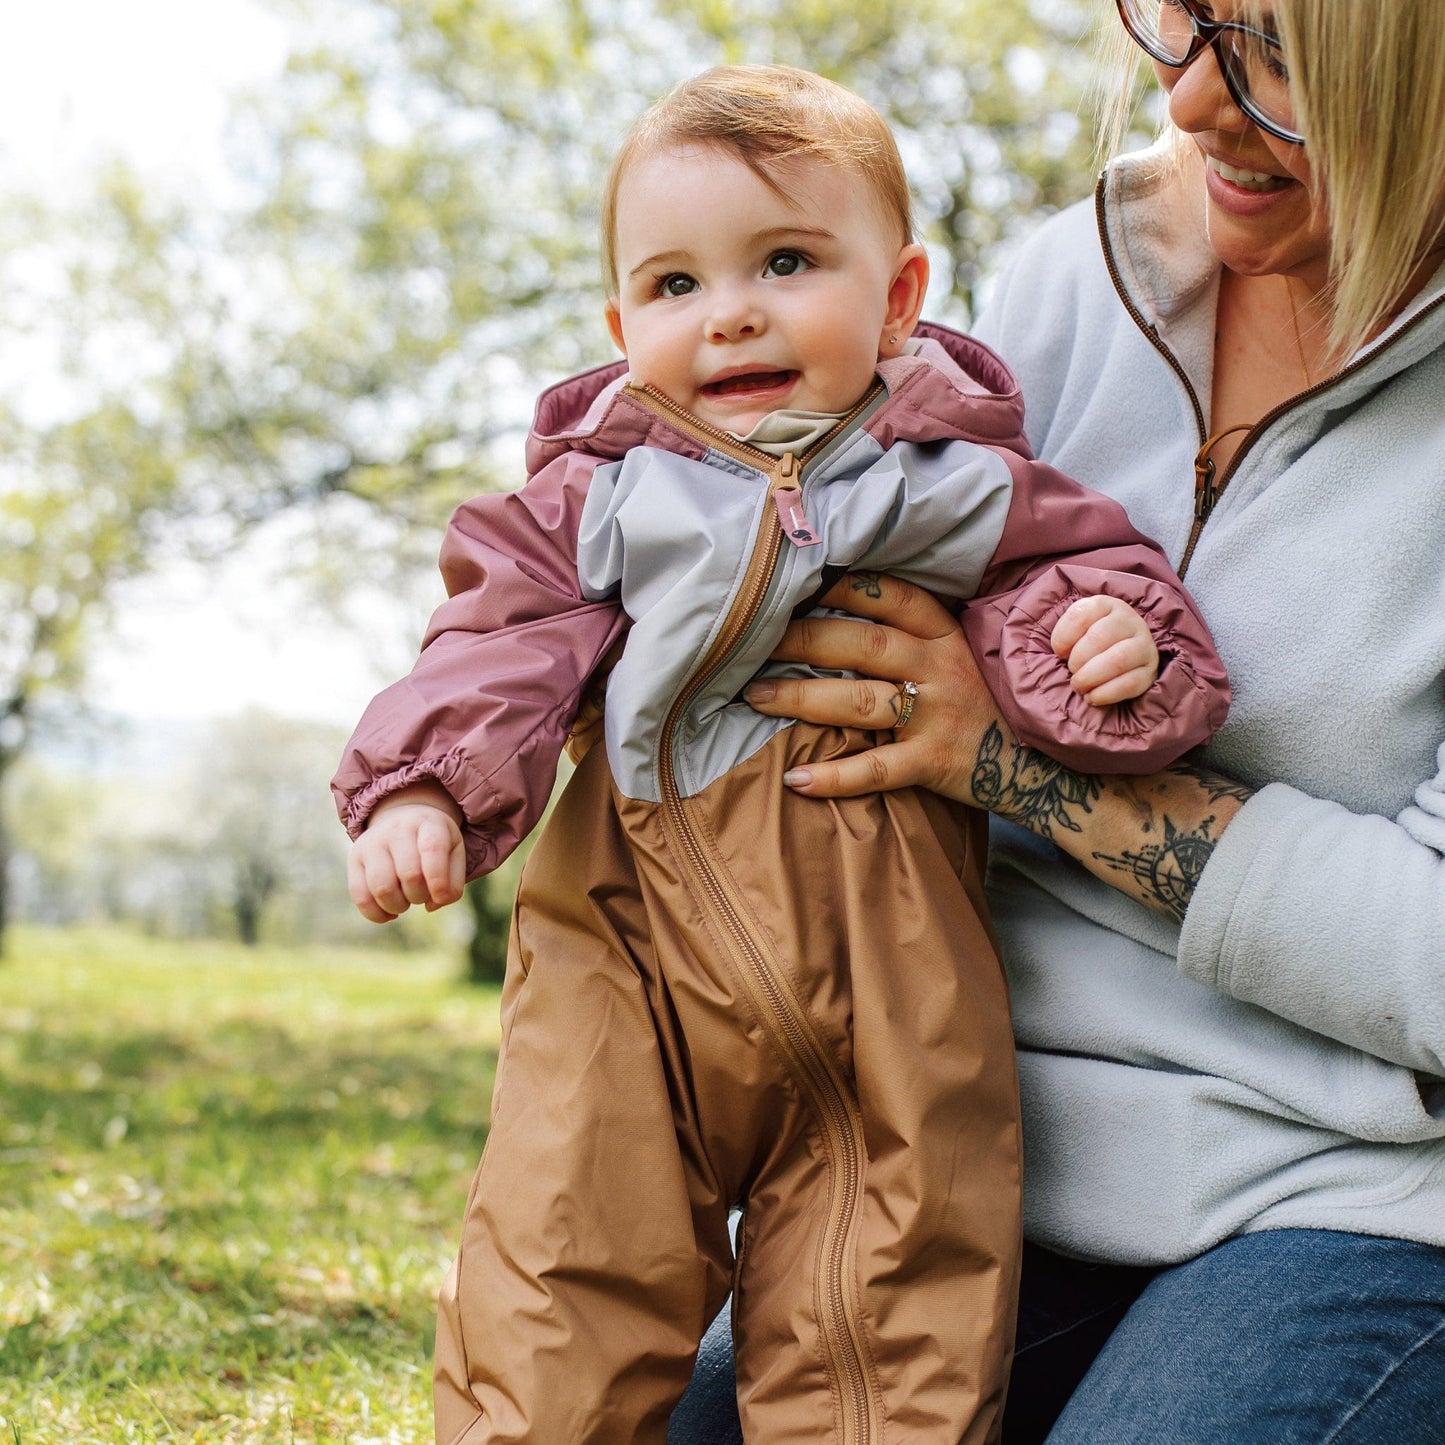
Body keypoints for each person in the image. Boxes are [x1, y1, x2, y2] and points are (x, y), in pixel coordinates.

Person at [332, 65, 1231, 1444]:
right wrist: (423, 783)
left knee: (886, 1312)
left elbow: (1079, 576)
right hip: (627, 961)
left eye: (786, 261)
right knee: (560, 1286)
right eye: (675, 284)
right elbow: (496, 637)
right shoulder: (600, 496)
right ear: (622, 322)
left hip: (893, 975)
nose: (731, 309)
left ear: (896, 295)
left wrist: (1113, 646)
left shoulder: (951, 476)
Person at [668, 3, 1445, 1442]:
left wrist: (1017, 763)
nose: (1197, 103)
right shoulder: (1074, 279)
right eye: (1184, 19)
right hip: (977, 1136)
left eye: (1277, 56)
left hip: (1358, 1189)